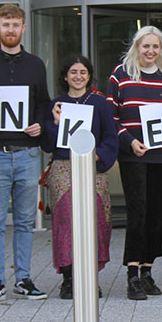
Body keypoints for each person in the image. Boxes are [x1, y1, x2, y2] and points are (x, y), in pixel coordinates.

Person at [0, 4, 51, 302]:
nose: (10, 29)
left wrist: (39, 125)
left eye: (16, 24)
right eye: (5, 24)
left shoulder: (35, 64)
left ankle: (24, 278)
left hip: (28, 153)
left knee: (24, 221)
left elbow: (43, 103)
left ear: (24, 28)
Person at [106, 26, 162, 301]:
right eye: (145, 46)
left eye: (155, 46)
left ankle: (148, 269)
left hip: (161, 154)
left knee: (156, 213)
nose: (150, 51)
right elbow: (110, 115)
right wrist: (128, 141)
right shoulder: (121, 75)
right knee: (137, 213)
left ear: (161, 49)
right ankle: (132, 273)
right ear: (136, 47)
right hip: (133, 154)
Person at [41, 54, 118, 299]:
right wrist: (54, 122)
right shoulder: (58, 104)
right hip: (63, 167)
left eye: (83, 72)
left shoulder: (100, 103)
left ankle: (90, 278)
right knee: (65, 221)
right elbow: (46, 144)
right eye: (73, 72)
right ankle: (69, 278)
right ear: (65, 76)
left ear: (89, 76)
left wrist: (97, 155)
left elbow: (110, 137)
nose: (78, 76)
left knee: (95, 222)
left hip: (92, 168)